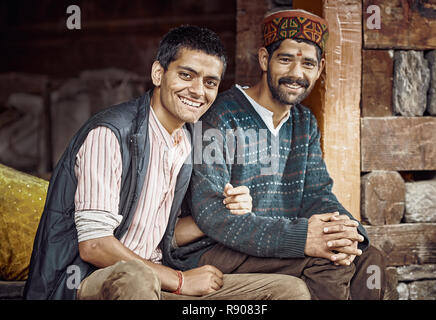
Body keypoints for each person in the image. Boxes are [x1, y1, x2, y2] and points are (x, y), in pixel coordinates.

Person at [23, 25, 310, 300]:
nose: (199, 91)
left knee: (288, 291)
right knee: (136, 277)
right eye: (187, 75)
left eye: (210, 82)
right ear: (158, 73)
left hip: (157, 276)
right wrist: (181, 281)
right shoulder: (110, 134)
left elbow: (163, 236)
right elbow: (94, 245)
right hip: (87, 282)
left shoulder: (186, 141)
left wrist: (223, 211)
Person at [162, 10, 387, 300]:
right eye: (285, 59)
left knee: (370, 259)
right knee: (328, 262)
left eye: (307, 63)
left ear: (320, 69)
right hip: (211, 250)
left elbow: (317, 196)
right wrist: (302, 238)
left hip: (271, 246)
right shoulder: (219, 116)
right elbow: (211, 215)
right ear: (265, 60)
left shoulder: (304, 123)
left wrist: (349, 233)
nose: (296, 73)